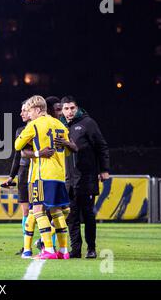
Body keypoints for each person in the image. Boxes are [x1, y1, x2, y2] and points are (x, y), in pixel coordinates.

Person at [15, 95, 71, 260]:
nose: (28, 113)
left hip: (41, 175)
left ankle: (48, 249)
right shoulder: (60, 125)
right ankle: (64, 251)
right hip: (59, 174)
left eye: (30, 110)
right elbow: (67, 151)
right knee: (57, 211)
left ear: (38, 110)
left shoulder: (35, 124)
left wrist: (33, 144)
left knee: (38, 211)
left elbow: (18, 145)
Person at [60, 96, 110, 259]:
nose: (69, 112)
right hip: (68, 179)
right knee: (72, 216)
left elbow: (101, 146)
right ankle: (76, 250)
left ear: (77, 108)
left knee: (88, 215)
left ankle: (91, 248)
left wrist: (104, 169)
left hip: (87, 177)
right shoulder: (60, 126)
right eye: (66, 109)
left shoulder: (88, 123)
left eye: (72, 108)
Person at [2, 101, 54, 255]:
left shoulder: (45, 126)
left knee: (49, 211)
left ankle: (48, 243)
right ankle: (27, 246)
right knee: (27, 212)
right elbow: (19, 155)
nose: (22, 113)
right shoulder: (21, 130)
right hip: (25, 173)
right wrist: (12, 176)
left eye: (25, 110)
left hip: (43, 171)